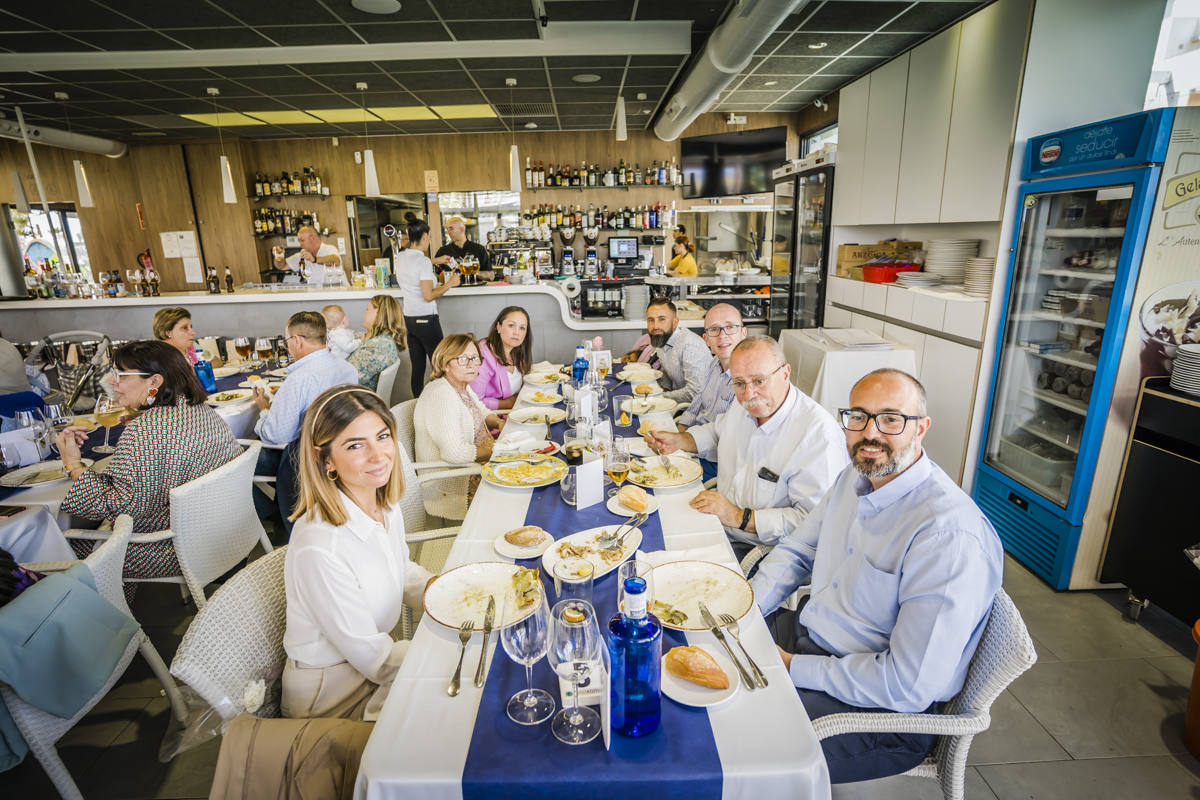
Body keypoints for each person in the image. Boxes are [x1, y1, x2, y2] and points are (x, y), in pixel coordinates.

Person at [751, 368, 1004, 784]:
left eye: (891, 419)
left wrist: (794, 667)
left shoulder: (946, 535)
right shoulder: (855, 477)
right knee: (694, 672)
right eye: (858, 417)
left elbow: (908, 685)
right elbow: (800, 548)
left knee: (732, 746)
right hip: (810, 642)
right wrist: (746, 609)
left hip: (881, 715)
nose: (870, 433)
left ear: (921, 428)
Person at [282, 385, 432, 720]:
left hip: (373, 662)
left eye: (382, 436)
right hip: (334, 697)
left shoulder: (381, 502)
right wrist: (441, 656)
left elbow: (400, 569)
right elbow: (375, 658)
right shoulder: (320, 547)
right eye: (355, 445)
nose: (379, 456)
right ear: (326, 460)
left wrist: (441, 592)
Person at [646, 337, 846, 557]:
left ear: (785, 373)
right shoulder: (744, 405)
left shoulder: (818, 434)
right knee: (652, 531)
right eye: (739, 383)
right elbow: (717, 433)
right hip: (720, 525)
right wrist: (679, 440)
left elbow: (814, 522)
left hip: (764, 550)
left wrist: (740, 517)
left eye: (759, 381)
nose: (749, 394)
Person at [55, 341, 240, 579]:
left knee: (60, 546)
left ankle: (111, 613)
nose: (112, 382)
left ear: (155, 381)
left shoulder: (146, 429)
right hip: (224, 533)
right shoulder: (201, 410)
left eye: (120, 375)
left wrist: (73, 464)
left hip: (170, 548)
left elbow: (119, 508)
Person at [413, 334, 504, 520]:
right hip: (457, 485)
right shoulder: (441, 394)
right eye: (462, 359)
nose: (471, 364)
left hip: (479, 466)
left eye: (475, 358)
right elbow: (454, 453)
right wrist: (500, 450)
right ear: (445, 364)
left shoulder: (461, 386)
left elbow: (482, 412)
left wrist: (501, 423)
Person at [253, 312, 359, 448]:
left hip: (305, 456)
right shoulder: (348, 368)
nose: (288, 347)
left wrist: (264, 409)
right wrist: (286, 394)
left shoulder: (297, 379)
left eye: (287, 342)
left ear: (297, 341)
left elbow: (276, 437)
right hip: (343, 446)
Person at [395, 219, 460, 398]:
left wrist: (434, 260)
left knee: (418, 368)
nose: (429, 240)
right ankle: (441, 402)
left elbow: (414, 264)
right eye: (429, 237)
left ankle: (418, 405)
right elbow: (428, 295)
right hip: (426, 319)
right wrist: (450, 284)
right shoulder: (422, 262)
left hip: (409, 319)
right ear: (424, 237)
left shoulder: (401, 257)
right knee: (440, 365)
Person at [676, 303, 746, 431]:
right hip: (692, 436)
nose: (722, 335)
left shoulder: (748, 381)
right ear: (706, 339)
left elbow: (725, 436)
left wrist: (683, 440)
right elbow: (696, 405)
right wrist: (679, 432)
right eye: (714, 329)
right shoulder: (713, 363)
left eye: (730, 327)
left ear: (743, 333)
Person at [642, 298, 709, 404]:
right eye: (651, 320)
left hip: (695, 408)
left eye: (662, 319)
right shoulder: (662, 337)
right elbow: (668, 372)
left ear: (675, 322)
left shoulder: (690, 345)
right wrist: (664, 388)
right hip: (676, 401)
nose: (655, 326)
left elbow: (695, 392)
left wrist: (658, 396)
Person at [470, 306, 532, 411]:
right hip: (492, 420)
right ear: (498, 327)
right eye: (511, 325)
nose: (517, 332)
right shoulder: (482, 355)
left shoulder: (516, 352)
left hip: (516, 412)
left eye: (522, 328)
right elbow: (474, 401)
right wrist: (506, 404)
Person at [349, 295, 407, 393]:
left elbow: (345, 378)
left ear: (378, 313)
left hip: (356, 400)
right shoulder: (384, 340)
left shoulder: (375, 348)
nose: (365, 313)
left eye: (367, 309)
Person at [272, 225, 345, 287]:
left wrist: (314, 259)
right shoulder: (301, 256)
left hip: (338, 294)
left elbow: (336, 261)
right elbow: (282, 266)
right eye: (299, 241)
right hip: (316, 297)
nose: (300, 244)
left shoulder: (329, 249)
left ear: (313, 238)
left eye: (302, 240)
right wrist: (278, 257)